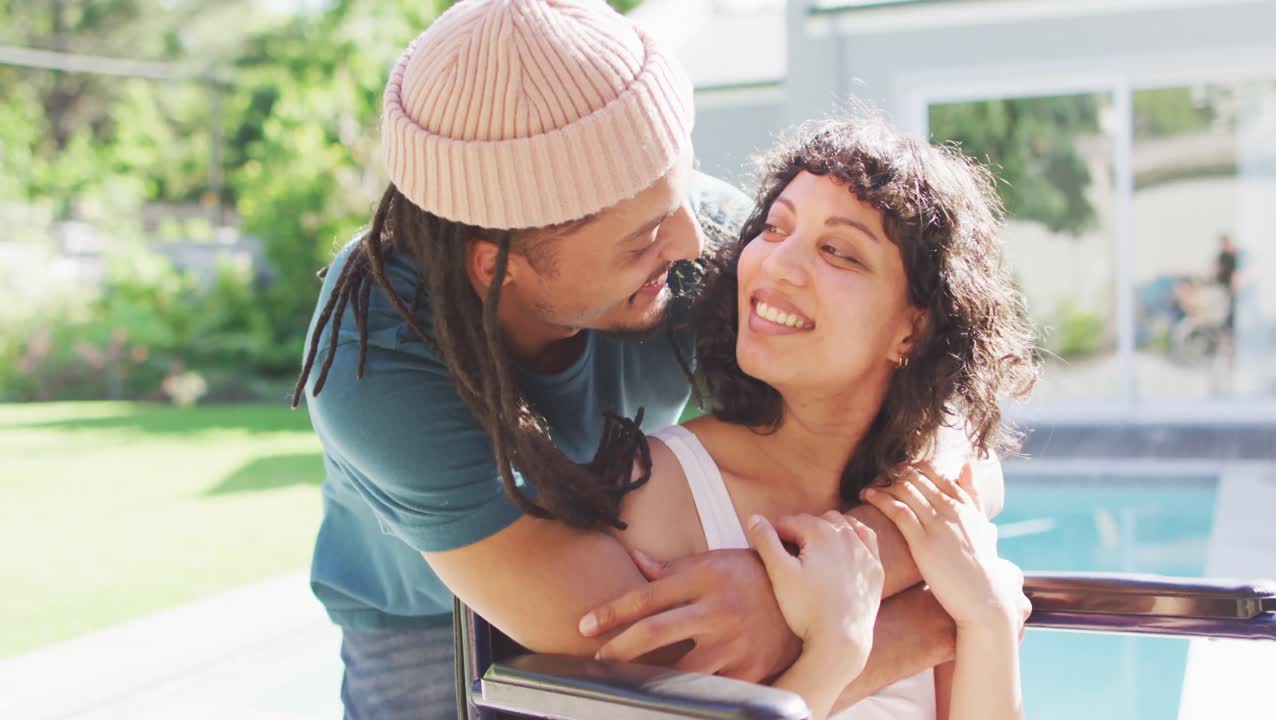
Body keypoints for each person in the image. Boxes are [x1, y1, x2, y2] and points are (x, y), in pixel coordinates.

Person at [293, 2, 1015, 717]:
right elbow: (635, 643)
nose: (696, 245)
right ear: (498, 265)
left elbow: (949, 424)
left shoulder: (675, 232)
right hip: (420, 619)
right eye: (641, 238)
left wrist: (792, 591)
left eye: (681, 192)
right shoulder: (372, 361)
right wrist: (917, 629)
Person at [607, 117, 1038, 719]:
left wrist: (989, 620)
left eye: (837, 250)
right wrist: (834, 653)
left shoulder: (930, 512)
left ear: (912, 329)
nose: (777, 265)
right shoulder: (664, 492)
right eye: (774, 227)